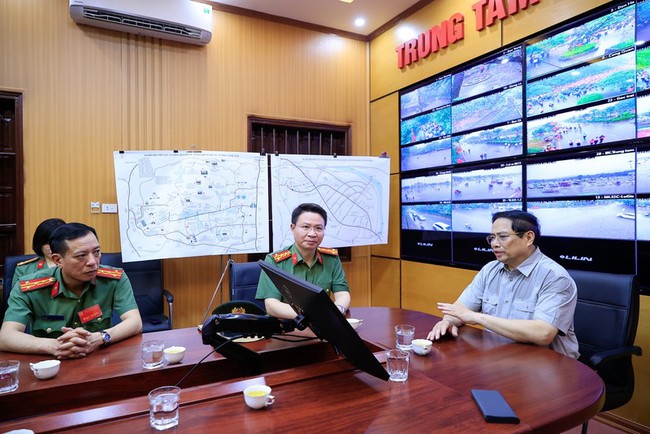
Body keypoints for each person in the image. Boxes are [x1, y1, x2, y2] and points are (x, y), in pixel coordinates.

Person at [426, 210, 579, 358]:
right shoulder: (490, 270)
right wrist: (447, 321)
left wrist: (477, 318)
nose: (494, 244)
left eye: (503, 237)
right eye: (492, 238)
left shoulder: (555, 277)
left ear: (528, 238)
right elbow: (459, 310)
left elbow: (543, 333)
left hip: (549, 366)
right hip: (499, 357)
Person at [0, 223, 142, 359]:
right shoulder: (29, 287)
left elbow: (135, 322)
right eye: (81, 256)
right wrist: (55, 346)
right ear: (58, 260)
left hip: (99, 358)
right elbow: (6, 337)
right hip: (50, 363)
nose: (93, 261)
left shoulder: (114, 279)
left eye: (96, 252)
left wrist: (99, 338)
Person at [256, 203, 351, 320]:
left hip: (323, 326)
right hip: (288, 328)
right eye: (306, 227)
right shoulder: (275, 261)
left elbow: (342, 293)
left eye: (318, 228)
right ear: (292, 228)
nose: (312, 234)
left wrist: (338, 310)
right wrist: (313, 315)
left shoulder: (331, 259)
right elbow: (271, 306)